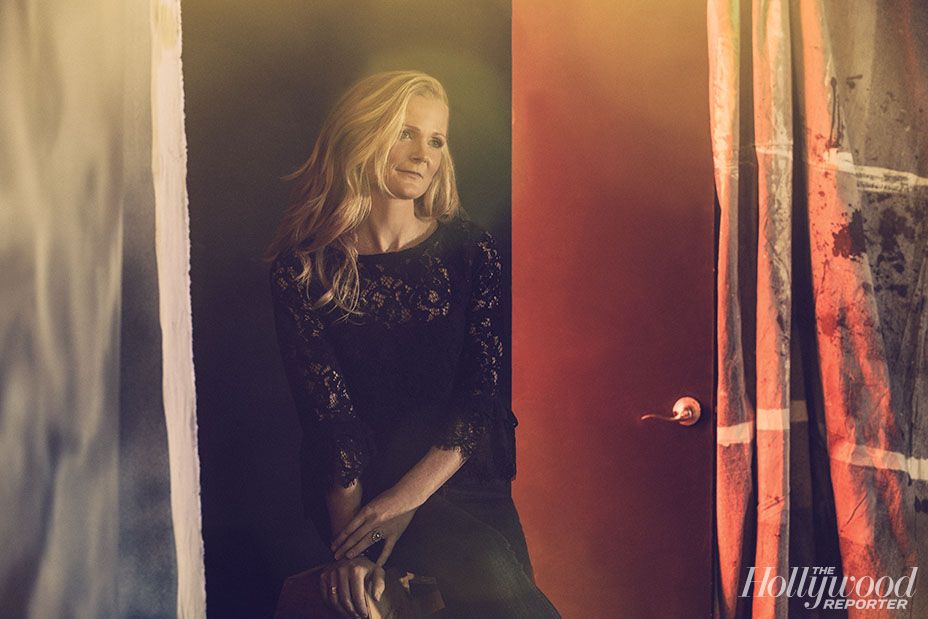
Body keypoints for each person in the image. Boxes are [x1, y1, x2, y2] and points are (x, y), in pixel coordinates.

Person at [267, 70, 560, 619]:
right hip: (359, 491)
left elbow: (479, 395)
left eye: (436, 139)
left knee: (496, 572)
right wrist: (354, 548)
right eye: (406, 132)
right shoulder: (304, 269)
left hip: (461, 478)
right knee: (480, 569)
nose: (423, 154)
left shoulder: (470, 250)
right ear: (364, 134)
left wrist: (407, 501)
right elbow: (330, 418)